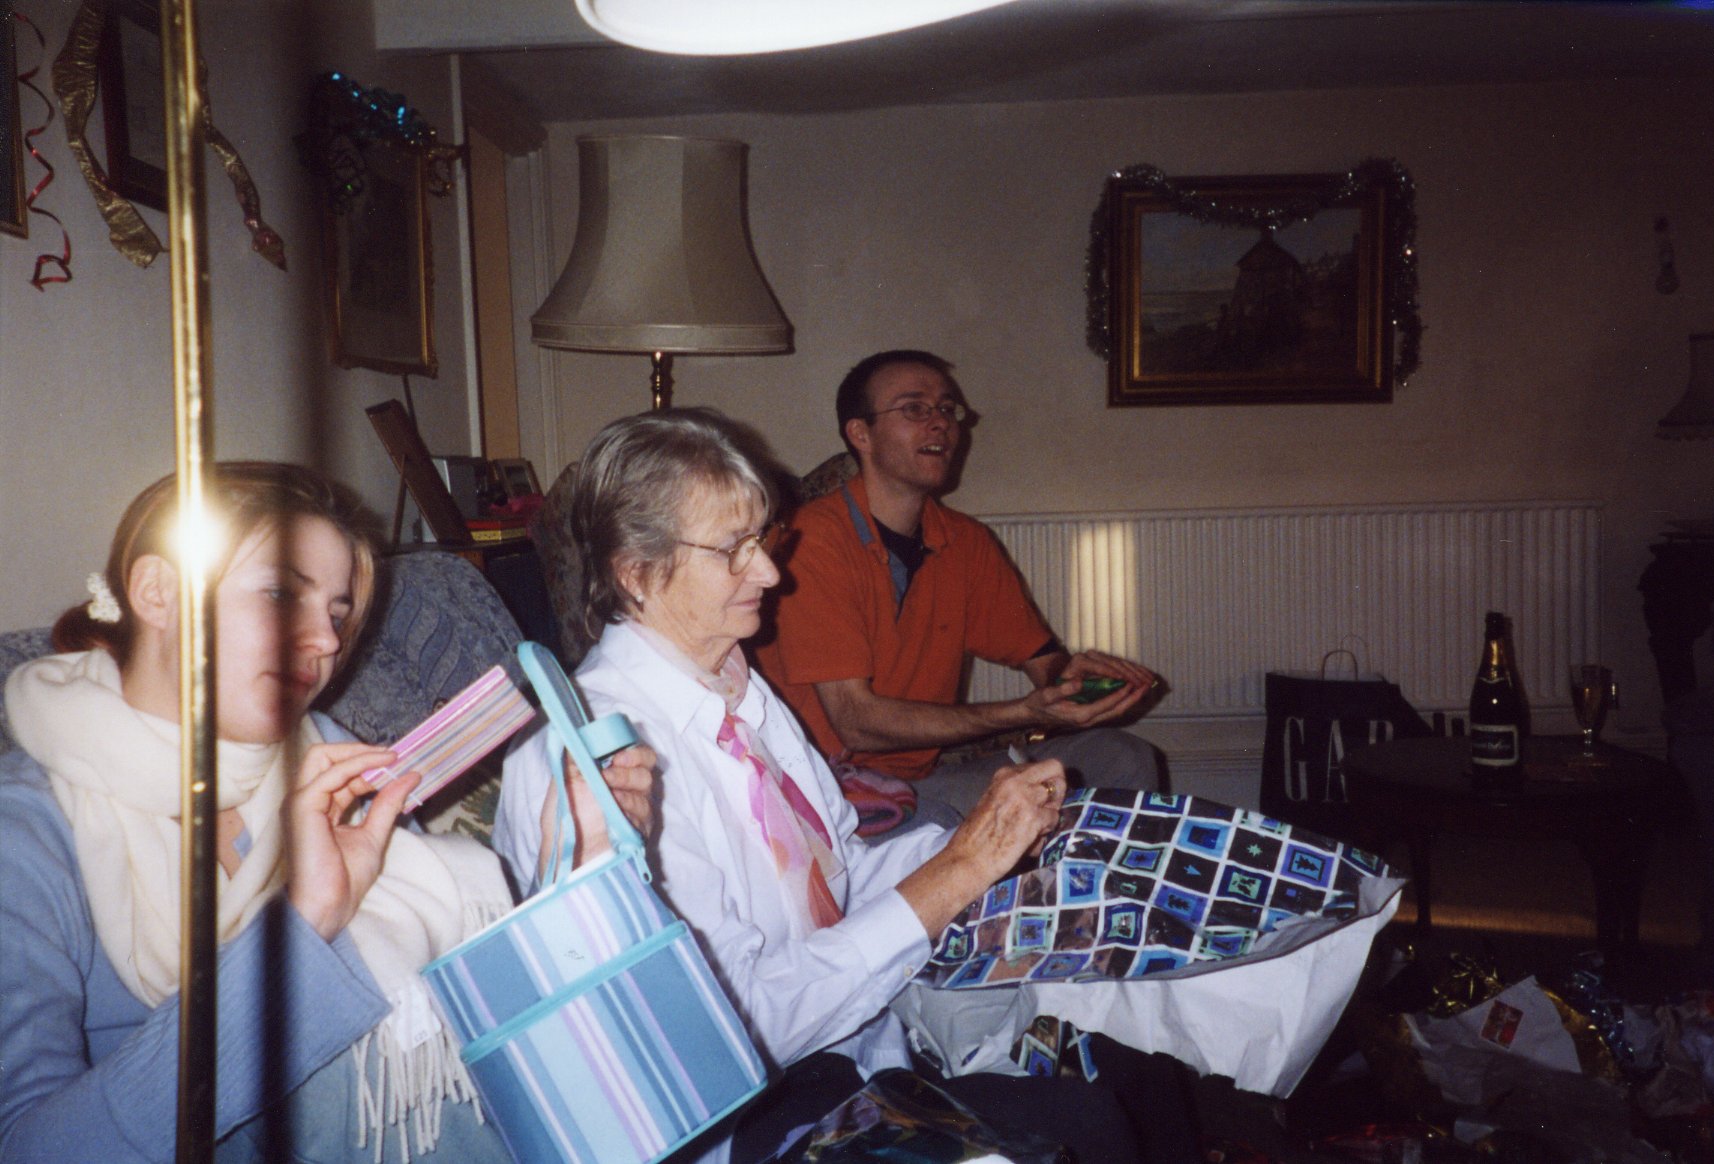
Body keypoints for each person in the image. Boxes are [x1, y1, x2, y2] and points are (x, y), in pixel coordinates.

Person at [494, 410, 1197, 1163]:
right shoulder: (599, 764)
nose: (770, 573)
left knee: (1143, 1072)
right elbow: (738, 1028)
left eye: (763, 538)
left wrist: (996, 845)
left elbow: (841, 876)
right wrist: (960, 872)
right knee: (1089, 1124)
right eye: (732, 550)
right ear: (636, 572)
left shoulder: (735, 689)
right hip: (744, 1122)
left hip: (855, 1055)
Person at [0, 462, 655, 1164]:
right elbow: (29, 1148)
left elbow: (474, 1013)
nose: (326, 642)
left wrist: (574, 864)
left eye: (337, 614)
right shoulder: (26, 835)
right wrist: (300, 931)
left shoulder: (327, 755)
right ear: (159, 592)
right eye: (282, 594)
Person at [758, 349, 1163, 828]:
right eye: (914, 409)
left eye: (947, 409)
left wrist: (1078, 682)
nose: (940, 423)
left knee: (1124, 758)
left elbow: (1044, 663)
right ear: (860, 434)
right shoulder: (812, 540)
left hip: (921, 779)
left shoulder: (964, 540)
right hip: (834, 789)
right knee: (941, 821)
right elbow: (856, 722)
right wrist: (1022, 712)